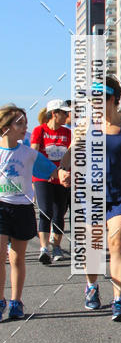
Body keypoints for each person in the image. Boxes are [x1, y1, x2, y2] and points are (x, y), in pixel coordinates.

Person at [68, 77, 121, 321]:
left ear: (114, 99)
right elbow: (69, 158)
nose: (95, 103)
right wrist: (63, 169)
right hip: (90, 196)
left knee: (117, 246)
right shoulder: (84, 126)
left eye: (100, 98)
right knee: (92, 250)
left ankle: (118, 300)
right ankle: (91, 286)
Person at [0, 105, 68, 320]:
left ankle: (16, 301)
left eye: (25, 123)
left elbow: (53, 171)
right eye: (19, 123)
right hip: (1, 206)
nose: (24, 127)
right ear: (5, 127)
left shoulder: (29, 153)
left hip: (22, 208)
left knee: (17, 259)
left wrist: (64, 175)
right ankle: (0, 300)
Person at [31, 99, 71, 263]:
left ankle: (56, 245)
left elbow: (70, 154)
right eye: (64, 113)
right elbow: (33, 154)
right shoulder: (39, 130)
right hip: (43, 178)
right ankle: (44, 248)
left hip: (61, 178)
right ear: (54, 114)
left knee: (59, 213)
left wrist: (65, 173)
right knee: (45, 211)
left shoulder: (67, 132)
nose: (67, 115)